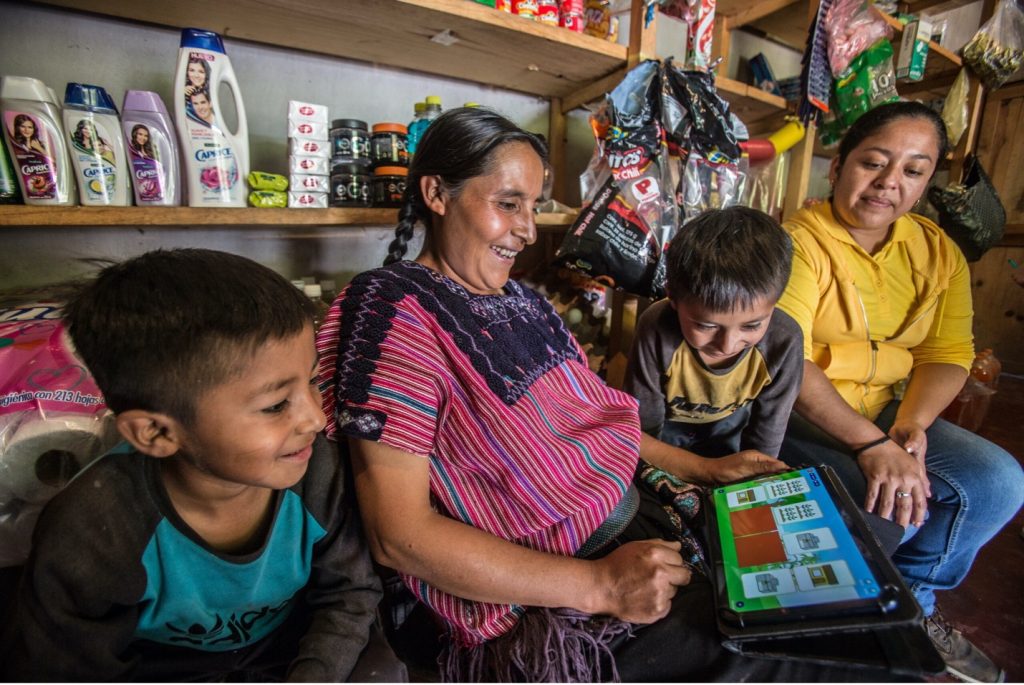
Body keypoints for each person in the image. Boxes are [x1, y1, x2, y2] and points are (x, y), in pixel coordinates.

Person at [316, 106, 893, 682]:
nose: (526, 229)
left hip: (639, 521)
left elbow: (605, 429)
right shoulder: (395, 311)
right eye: (507, 204)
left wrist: (703, 469)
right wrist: (598, 586)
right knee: (803, 662)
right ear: (437, 193)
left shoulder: (526, 302)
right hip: (559, 588)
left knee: (844, 612)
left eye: (533, 207)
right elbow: (400, 535)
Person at [0, 249, 406, 682]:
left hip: (291, 651)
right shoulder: (93, 527)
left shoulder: (316, 469)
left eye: (312, 381)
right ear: (156, 433)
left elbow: (350, 594)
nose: (315, 419)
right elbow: (68, 668)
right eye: (274, 406)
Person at [775, 100, 1024, 683]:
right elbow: (789, 361)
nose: (889, 183)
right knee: (891, 506)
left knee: (997, 482)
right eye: (874, 162)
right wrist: (872, 446)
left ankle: (913, 605)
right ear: (837, 168)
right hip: (798, 409)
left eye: (913, 170)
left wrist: (910, 427)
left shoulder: (939, 252)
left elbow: (945, 353)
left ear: (926, 182)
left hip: (889, 408)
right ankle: (839, 616)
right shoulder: (798, 242)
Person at [625, 206, 800, 460]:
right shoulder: (655, 328)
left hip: (732, 433)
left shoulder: (785, 340)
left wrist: (754, 477)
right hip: (665, 438)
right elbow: (644, 428)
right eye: (706, 326)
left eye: (751, 326)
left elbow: (767, 435)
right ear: (672, 297)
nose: (728, 346)